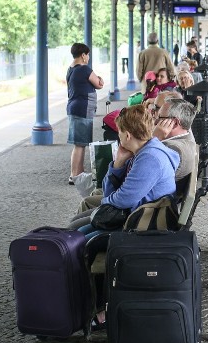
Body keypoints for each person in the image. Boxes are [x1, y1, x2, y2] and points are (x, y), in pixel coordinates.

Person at [72, 104, 179, 328]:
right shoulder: (145, 151)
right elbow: (117, 194)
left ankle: (96, 308)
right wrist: (118, 164)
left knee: (81, 239)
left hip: (141, 226)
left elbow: (121, 199)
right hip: (137, 217)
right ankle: (85, 302)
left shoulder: (149, 159)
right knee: (76, 232)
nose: (118, 135)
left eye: (119, 132)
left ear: (127, 134)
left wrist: (105, 203)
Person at [66, 43, 104, 185]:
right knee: (80, 144)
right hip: (82, 109)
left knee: (79, 143)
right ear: (83, 55)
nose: (88, 57)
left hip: (74, 107)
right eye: (87, 55)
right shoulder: (84, 69)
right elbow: (99, 84)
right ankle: (75, 175)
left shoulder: (70, 69)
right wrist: (99, 78)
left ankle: (78, 173)